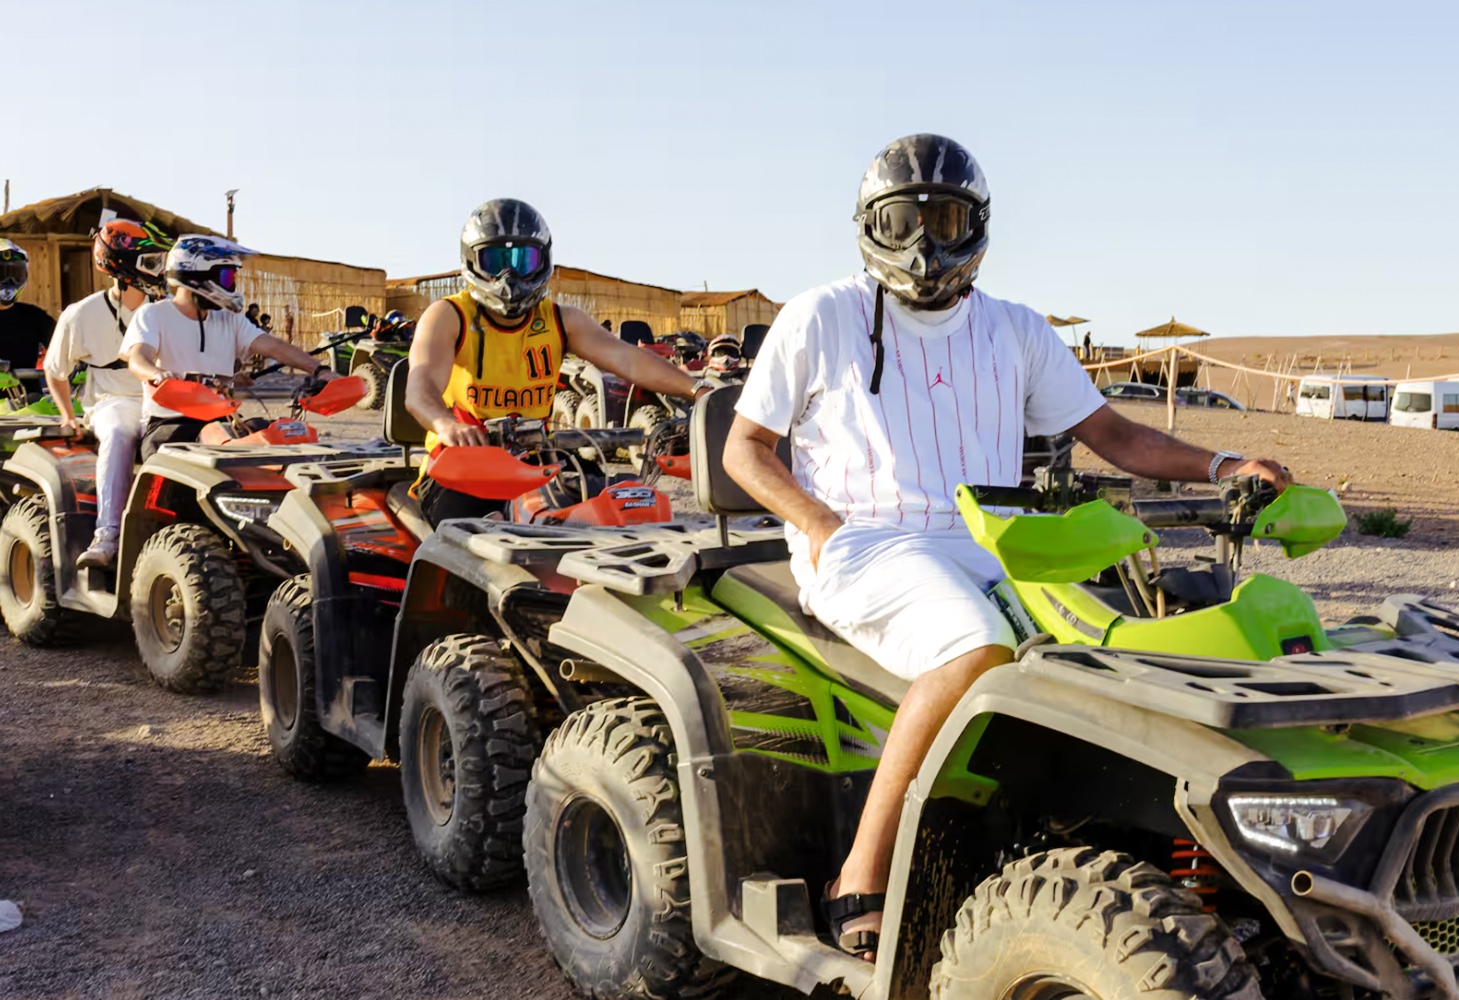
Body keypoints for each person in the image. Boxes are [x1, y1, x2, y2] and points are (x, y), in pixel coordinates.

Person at [722, 134, 1292, 960]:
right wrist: (819, 527)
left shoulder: (1016, 331)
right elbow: (747, 450)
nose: (925, 244)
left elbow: (1113, 435)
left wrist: (1223, 463)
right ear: (870, 228)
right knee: (977, 645)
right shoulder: (821, 315)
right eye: (905, 221)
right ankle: (862, 870)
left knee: (1114, 651)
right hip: (864, 546)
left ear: (976, 226)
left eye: (945, 219)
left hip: (996, 549)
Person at [407, 198, 711, 526]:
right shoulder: (449, 316)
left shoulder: (561, 320)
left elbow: (629, 360)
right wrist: (446, 424)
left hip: (540, 460)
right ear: (472, 260)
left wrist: (698, 389)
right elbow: (420, 388)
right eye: (495, 260)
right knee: (474, 538)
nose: (509, 275)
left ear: (543, 260)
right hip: (461, 467)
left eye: (523, 259)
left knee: (626, 508)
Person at [123, 235, 336, 459]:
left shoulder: (229, 319)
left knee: (286, 437)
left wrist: (320, 371)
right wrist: (155, 373)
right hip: (170, 423)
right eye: (226, 276)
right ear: (196, 275)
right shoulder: (154, 314)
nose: (231, 284)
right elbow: (137, 358)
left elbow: (274, 347)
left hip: (221, 421)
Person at [43, 221, 175, 568]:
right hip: (113, 402)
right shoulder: (79, 314)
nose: (159, 270)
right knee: (118, 433)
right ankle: (108, 534)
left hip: (167, 399)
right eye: (150, 262)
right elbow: (55, 371)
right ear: (120, 266)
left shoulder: (169, 310)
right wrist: (69, 416)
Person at [0, 240, 56, 372]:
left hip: (30, 392)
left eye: (15, 275)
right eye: (1, 275)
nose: (9, 282)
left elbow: (67, 350)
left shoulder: (35, 317)